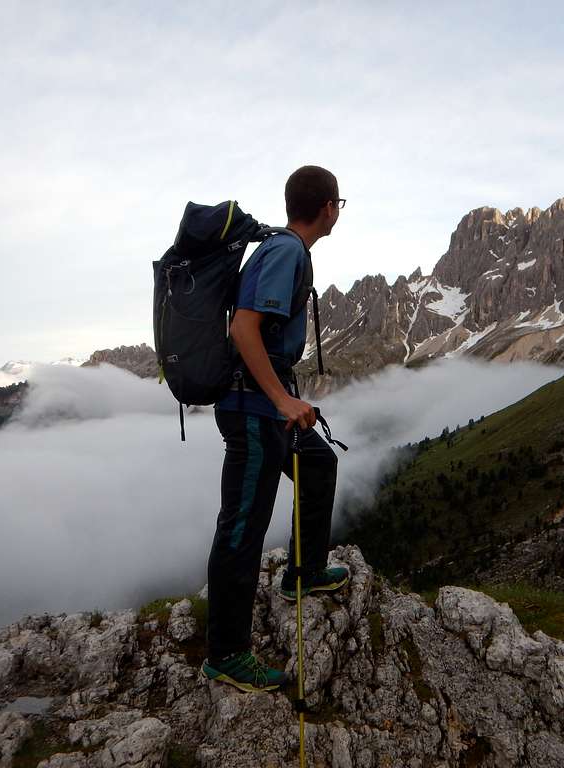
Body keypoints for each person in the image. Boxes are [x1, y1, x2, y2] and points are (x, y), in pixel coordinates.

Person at [201, 166, 349, 693]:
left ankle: (304, 573)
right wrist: (282, 398)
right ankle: (226, 652)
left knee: (319, 462)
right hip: (253, 408)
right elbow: (244, 328)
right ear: (328, 207)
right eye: (340, 204)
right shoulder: (286, 252)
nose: (339, 213)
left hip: (262, 403)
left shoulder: (283, 249)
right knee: (243, 525)